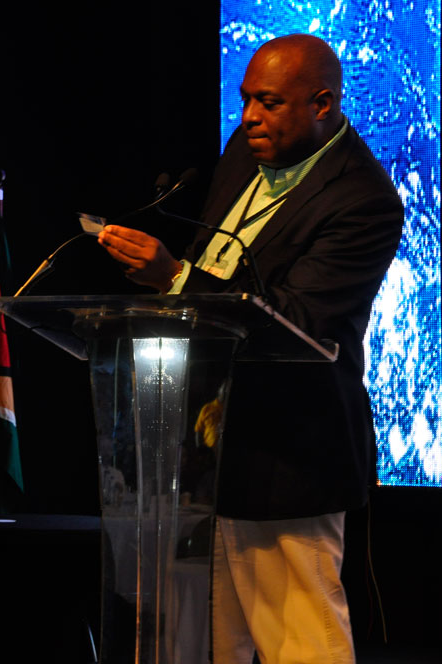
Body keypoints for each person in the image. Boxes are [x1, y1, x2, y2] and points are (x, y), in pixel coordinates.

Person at [98, 34, 403, 663]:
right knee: (215, 643)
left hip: (290, 452)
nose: (249, 118)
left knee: (302, 642)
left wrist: (175, 278)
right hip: (202, 450)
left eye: (269, 102)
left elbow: (299, 321)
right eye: (245, 100)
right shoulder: (245, 148)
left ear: (323, 104)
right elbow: (217, 259)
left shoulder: (365, 199)